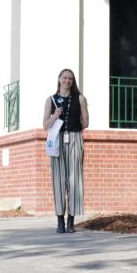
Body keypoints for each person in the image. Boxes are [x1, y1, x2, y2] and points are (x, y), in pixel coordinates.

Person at [43, 69, 89, 234]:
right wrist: (55, 115)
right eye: (64, 78)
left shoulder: (80, 99)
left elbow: (85, 122)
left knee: (75, 179)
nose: (67, 81)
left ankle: (71, 221)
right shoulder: (51, 100)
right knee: (58, 179)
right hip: (57, 140)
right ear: (59, 79)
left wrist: (73, 130)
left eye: (70, 79)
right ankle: (60, 221)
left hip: (75, 138)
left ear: (73, 81)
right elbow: (45, 125)